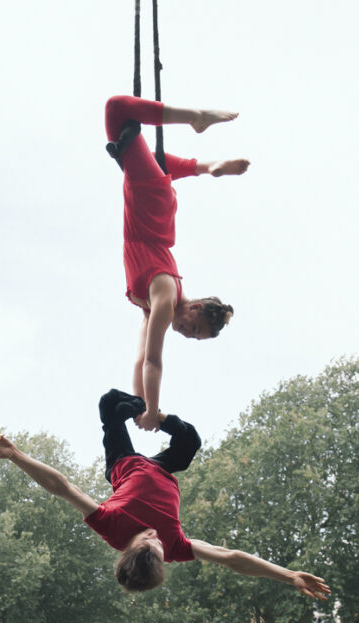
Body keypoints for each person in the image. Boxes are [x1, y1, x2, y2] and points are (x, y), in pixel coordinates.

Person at [0, 392, 329, 600]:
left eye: (148, 540)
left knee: (110, 404)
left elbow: (64, 488)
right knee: (191, 441)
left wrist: (17, 456)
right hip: (163, 469)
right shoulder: (175, 548)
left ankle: (132, 408)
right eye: (159, 545)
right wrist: (289, 576)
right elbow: (231, 556)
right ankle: (152, 413)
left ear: (130, 548)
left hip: (125, 464)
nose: (155, 535)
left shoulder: (110, 526)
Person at [102, 94, 246, 431]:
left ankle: (207, 167)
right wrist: (153, 409)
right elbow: (154, 360)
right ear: (194, 307)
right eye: (193, 328)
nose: (185, 333)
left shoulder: (154, 307)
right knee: (116, 111)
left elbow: (140, 357)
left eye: (193, 338)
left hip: (150, 204)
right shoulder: (165, 297)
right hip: (150, 206)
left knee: (150, 156)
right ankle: (197, 117)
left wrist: (140, 406)